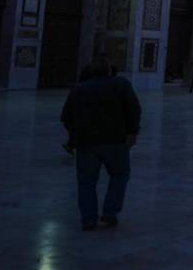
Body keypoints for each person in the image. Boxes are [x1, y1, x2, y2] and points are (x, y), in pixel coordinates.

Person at [60, 54, 141, 231]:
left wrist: (76, 133)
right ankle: (109, 215)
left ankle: (88, 220)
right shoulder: (121, 85)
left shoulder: (79, 89)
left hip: (87, 144)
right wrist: (133, 132)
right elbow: (134, 109)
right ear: (109, 70)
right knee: (120, 176)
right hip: (116, 143)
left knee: (86, 182)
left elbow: (65, 117)